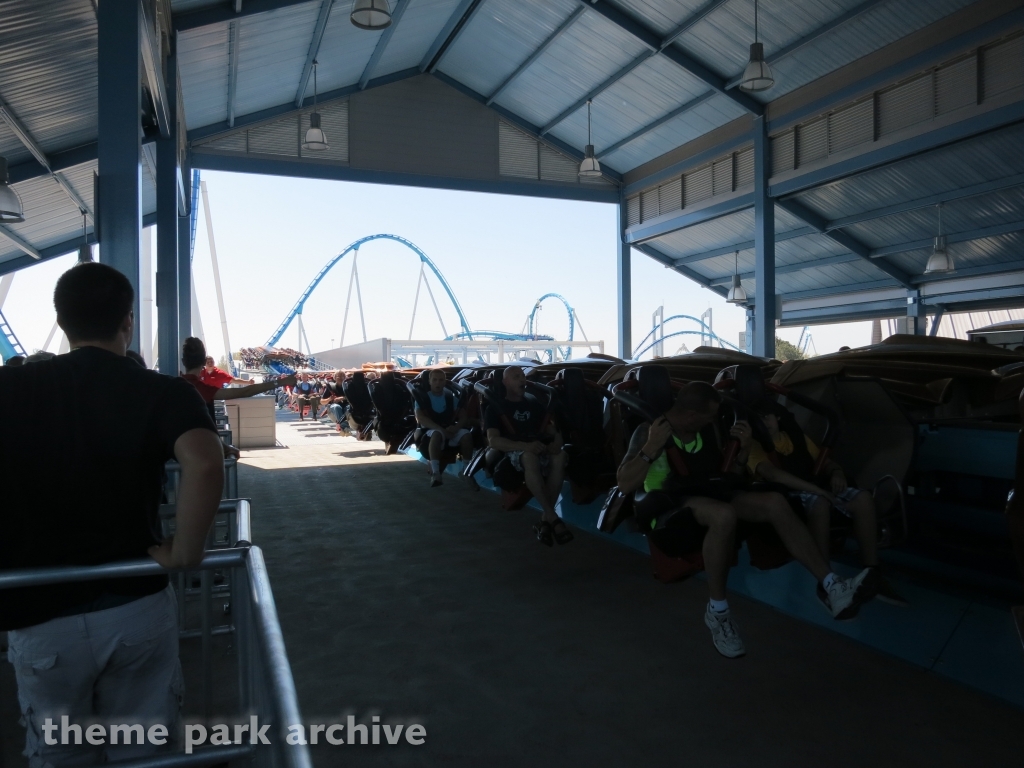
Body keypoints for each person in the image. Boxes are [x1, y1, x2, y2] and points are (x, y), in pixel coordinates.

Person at [0, 262, 224, 765]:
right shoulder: (163, 391)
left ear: (61, 322)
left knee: (60, 754)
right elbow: (206, 462)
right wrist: (186, 551)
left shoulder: (10, 388)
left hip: (39, 611)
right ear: (128, 322)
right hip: (133, 599)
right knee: (144, 751)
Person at [616, 382, 873, 658]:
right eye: (709, 416)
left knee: (774, 502)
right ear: (691, 415)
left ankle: (832, 585)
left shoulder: (706, 431)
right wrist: (650, 448)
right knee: (722, 514)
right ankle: (718, 613)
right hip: (669, 505)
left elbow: (729, 476)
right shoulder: (649, 431)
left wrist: (742, 452)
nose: (714, 421)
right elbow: (625, 483)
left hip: (709, 492)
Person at [747, 400, 906, 606]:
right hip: (788, 495)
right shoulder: (754, 446)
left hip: (816, 487)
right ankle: (826, 583)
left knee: (863, 498)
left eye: (766, 417)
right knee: (820, 502)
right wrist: (817, 490)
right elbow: (773, 475)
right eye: (757, 421)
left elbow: (825, 462)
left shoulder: (796, 438)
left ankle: (872, 571)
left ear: (777, 418)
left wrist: (836, 472)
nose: (763, 423)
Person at [484, 366, 571, 546]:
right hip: (514, 451)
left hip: (537, 446)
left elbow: (552, 430)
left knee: (560, 456)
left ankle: (546, 520)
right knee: (529, 456)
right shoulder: (495, 408)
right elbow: (493, 441)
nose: (522, 380)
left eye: (523, 376)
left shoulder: (533, 403)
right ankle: (552, 517)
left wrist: (556, 442)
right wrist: (524, 446)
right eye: (516, 377)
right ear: (505, 382)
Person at [180, 337, 294, 422]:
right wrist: (281, 382)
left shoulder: (173, 385)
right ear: (203, 362)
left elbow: (234, 381)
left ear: (183, 361)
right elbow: (246, 391)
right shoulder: (203, 390)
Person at [414, 368, 478, 489]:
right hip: (430, 431)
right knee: (437, 434)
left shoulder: (450, 398)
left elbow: (463, 417)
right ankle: (436, 472)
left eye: (441, 380)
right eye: (435, 380)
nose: (438, 383)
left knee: (466, 435)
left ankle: (466, 471)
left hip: (449, 430)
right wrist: (442, 430)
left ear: (444, 382)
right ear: (430, 382)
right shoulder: (423, 399)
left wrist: (456, 427)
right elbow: (421, 418)